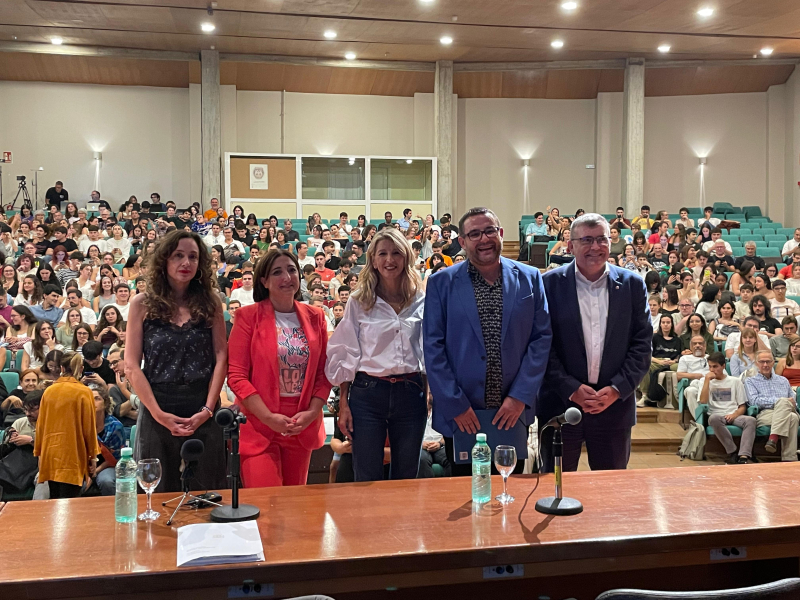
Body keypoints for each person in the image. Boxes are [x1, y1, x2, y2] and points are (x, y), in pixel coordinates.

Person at [423, 207, 550, 475]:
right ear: (462, 241)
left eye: (490, 231)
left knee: (509, 493)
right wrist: (455, 404)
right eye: (475, 234)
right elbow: (433, 348)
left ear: (501, 233)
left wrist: (520, 397)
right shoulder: (441, 283)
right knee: (464, 500)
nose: (484, 239)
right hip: (463, 414)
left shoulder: (530, 278)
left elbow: (541, 340)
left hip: (512, 411)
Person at [539, 212, 650, 471]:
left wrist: (617, 389)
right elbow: (542, 345)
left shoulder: (633, 285)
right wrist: (570, 388)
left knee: (611, 496)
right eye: (586, 240)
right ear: (570, 245)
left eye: (601, 239)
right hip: (560, 405)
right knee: (555, 489)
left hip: (614, 407)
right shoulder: (548, 284)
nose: (595, 247)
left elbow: (642, 345)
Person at [125, 230, 228, 493]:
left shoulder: (211, 303)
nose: (186, 263)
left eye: (193, 257)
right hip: (157, 404)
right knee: (155, 494)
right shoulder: (141, 304)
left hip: (203, 405)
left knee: (207, 493)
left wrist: (207, 410)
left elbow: (221, 356)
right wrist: (158, 414)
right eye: (178, 256)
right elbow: (132, 365)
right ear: (164, 261)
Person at [326, 229, 426, 481]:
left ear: (406, 258)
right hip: (368, 394)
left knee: (406, 476)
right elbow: (347, 351)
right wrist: (344, 403)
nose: (389, 260)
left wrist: (430, 392)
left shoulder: (420, 299)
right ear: (372, 259)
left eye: (396, 253)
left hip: (410, 392)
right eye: (382, 253)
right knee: (366, 476)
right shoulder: (359, 300)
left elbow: (428, 350)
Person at [228, 249, 331, 488]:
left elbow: (323, 373)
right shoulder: (247, 316)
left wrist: (312, 412)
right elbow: (236, 376)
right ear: (263, 281)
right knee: (268, 507)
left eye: (292, 270)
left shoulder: (316, 316)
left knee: (295, 509)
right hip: (259, 424)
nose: (287, 277)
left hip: (301, 423)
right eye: (277, 272)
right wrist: (268, 417)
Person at [34, 353, 99, 499]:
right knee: (71, 504)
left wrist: (39, 453)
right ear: (81, 368)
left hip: (50, 454)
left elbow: (40, 426)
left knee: (55, 501)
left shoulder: (49, 391)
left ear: (62, 367)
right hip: (73, 455)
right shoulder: (84, 391)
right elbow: (89, 428)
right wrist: (93, 456)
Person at [699, 352, 756, 464]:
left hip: (733, 414)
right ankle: (733, 451)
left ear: (723, 366)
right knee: (713, 418)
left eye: (715, 366)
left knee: (751, 420)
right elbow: (703, 401)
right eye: (710, 366)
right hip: (716, 415)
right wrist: (706, 381)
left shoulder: (735, 381)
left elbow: (742, 406)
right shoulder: (704, 381)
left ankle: (744, 455)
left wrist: (734, 415)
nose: (712, 370)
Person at [745, 351, 799, 461]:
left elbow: (793, 401)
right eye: (762, 362)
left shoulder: (783, 380)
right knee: (792, 418)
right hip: (766, 413)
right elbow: (754, 401)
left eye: (768, 361)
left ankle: (773, 438)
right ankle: (789, 458)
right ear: (756, 363)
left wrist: (786, 402)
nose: (765, 365)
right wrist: (780, 401)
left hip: (786, 410)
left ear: (773, 362)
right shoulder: (750, 381)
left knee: (787, 407)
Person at [638, 314, 682, 408]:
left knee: (681, 367)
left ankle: (677, 400)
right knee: (644, 365)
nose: (666, 324)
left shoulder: (678, 340)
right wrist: (659, 362)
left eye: (668, 322)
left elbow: (680, 356)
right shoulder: (654, 337)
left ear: (672, 324)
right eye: (663, 322)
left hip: (671, 363)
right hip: (656, 361)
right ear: (660, 324)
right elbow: (648, 354)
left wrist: (674, 361)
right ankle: (645, 396)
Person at [92, 384, 125, 496]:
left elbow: (115, 458)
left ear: (105, 403)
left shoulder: (115, 427)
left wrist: (95, 472)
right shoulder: (80, 425)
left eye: (97, 399)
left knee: (106, 481)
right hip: (85, 465)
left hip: (108, 465)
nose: (92, 402)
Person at [677, 335, 711, 418]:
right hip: (694, 385)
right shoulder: (685, 358)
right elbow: (678, 375)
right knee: (690, 391)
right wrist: (694, 375)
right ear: (690, 346)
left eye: (700, 343)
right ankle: (700, 420)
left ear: (705, 346)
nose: (697, 345)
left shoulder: (711, 358)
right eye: (695, 344)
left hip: (711, 385)